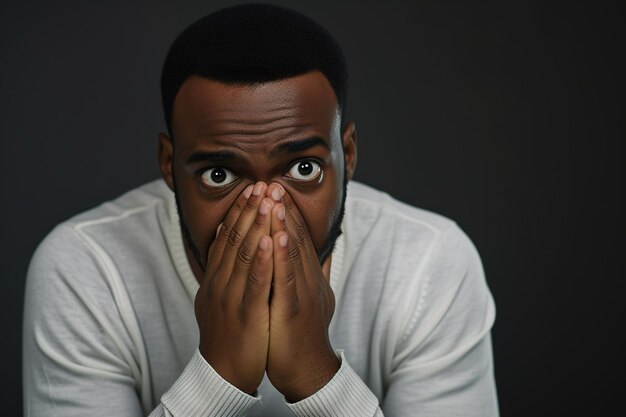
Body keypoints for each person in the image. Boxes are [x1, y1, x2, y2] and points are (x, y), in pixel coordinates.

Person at [22, 4, 499, 416]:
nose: (267, 209)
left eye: (304, 168)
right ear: (169, 166)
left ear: (347, 155)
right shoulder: (85, 267)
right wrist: (220, 374)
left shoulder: (430, 263)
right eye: (219, 175)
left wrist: (317, 377)